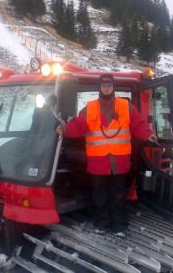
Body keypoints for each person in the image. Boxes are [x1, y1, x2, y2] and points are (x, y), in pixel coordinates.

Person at [56, 74, 157, 233]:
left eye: (109, 85)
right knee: (100, 196)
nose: (107, 88)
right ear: (100, 88)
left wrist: (148, 134)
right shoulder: (90, 108)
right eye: (104, 86)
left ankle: (120, 226)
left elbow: (138, 124)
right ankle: (102, 225)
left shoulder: (126, 107)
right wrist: (66, 128)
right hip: (98, 163)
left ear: (113, 87)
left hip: (119, 162)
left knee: (118, 196)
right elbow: (78, 125)